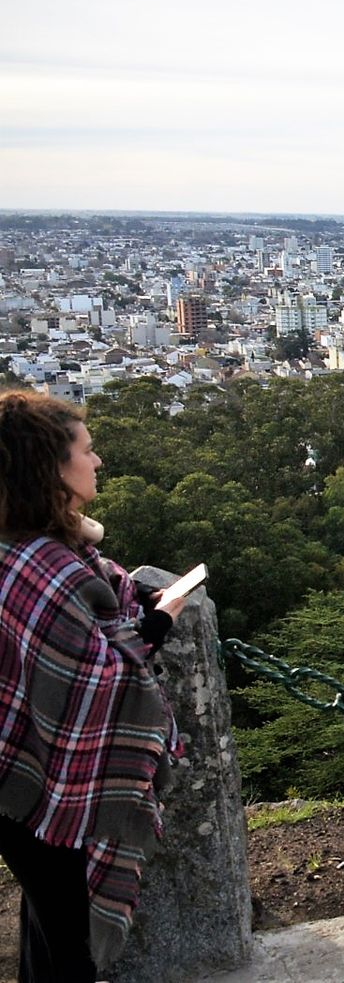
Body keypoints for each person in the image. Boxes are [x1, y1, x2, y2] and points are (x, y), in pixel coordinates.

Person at [0, 391, 183, 982]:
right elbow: (97, 676)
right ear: (51, 468)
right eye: (87, 449)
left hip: (20, 770)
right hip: (49, 781)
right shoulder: (42, 565)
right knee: (70, 940)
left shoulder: (35, 548)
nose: (98, 461)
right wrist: (157, 624)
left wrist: (138, 608)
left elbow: (94, 616)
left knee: (47, 921)